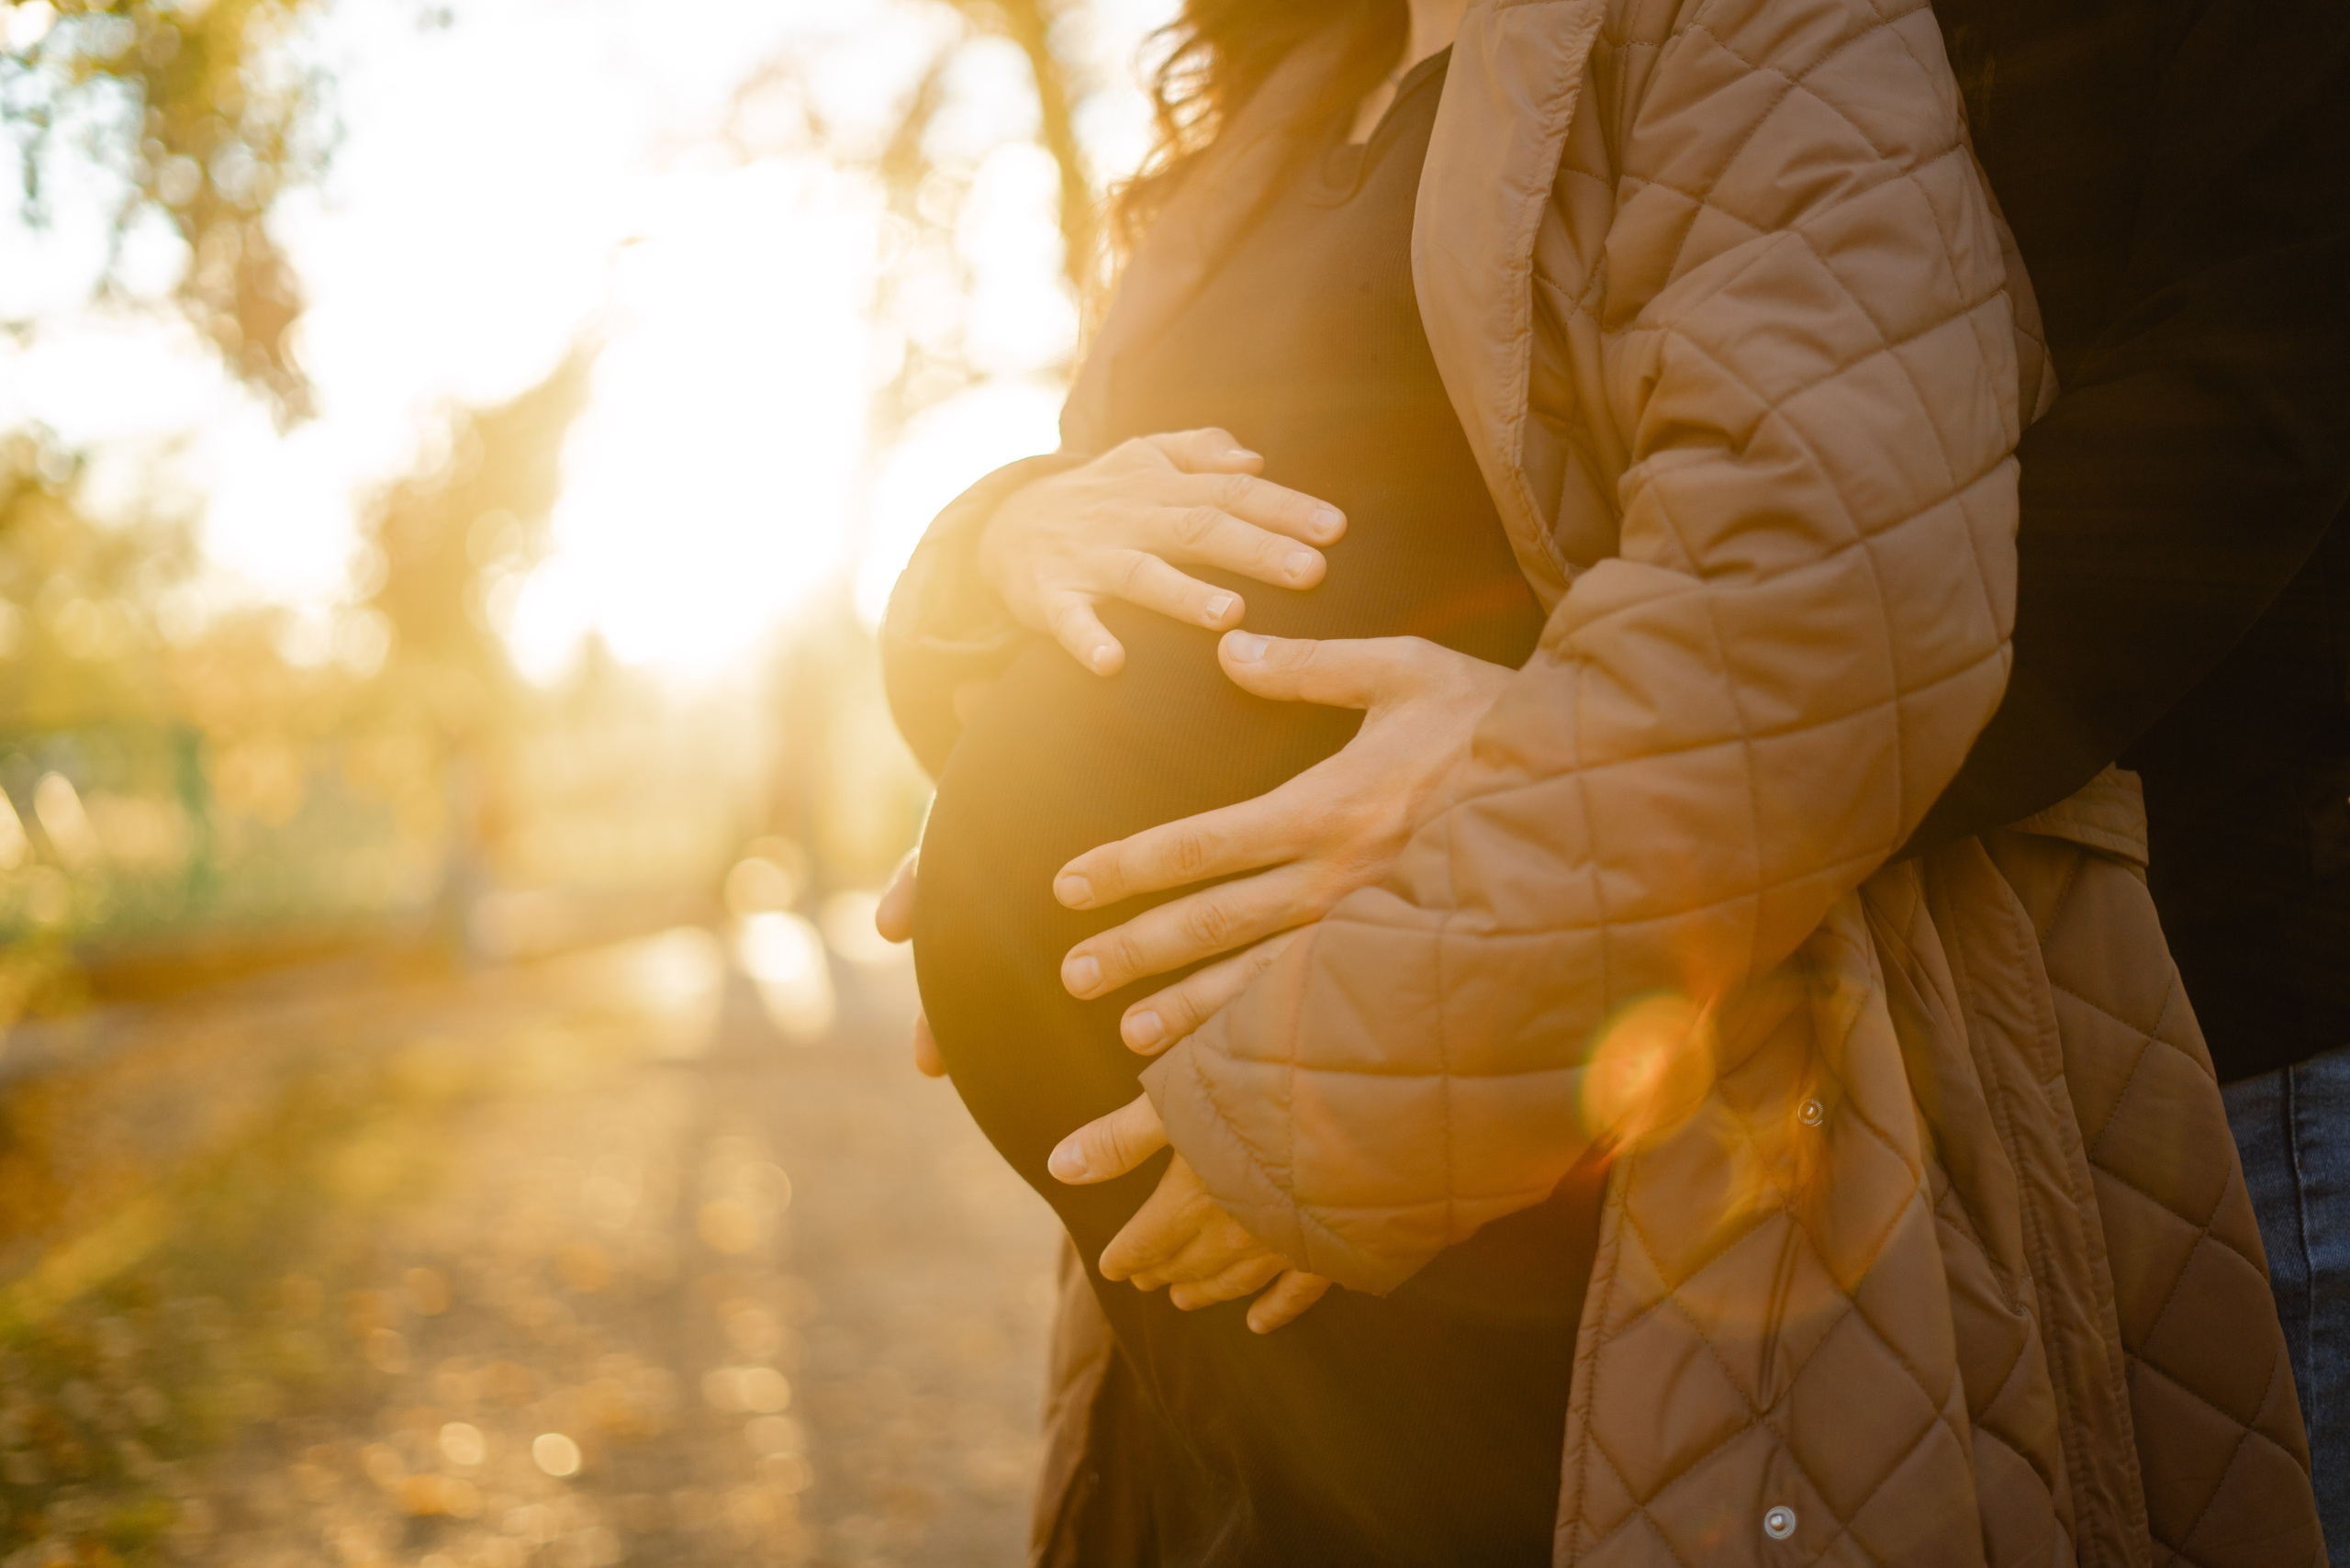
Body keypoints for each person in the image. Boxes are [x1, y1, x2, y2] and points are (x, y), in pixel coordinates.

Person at [878, 0, 2328, 1562]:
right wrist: (990, 562)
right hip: (1205, 1282)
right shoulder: (1279, 104)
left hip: (1531, 1131)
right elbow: (1148, 495)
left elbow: (1827, 585)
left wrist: (1330, 1103)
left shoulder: (1725, 31)